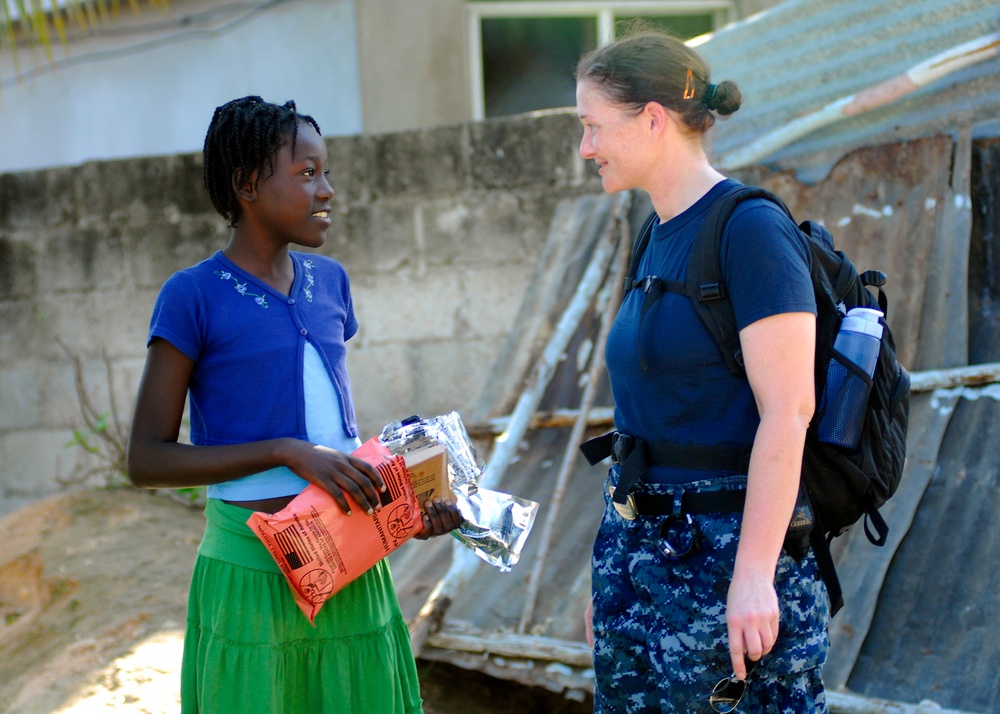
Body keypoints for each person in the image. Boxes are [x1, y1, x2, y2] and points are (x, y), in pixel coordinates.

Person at [126, 96, 462, 714]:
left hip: (349, 566)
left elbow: (334, 437)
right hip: (250, 571)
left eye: (326, 172)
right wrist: (286, 453)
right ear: (248, 184)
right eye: (307, 174)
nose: (327, 190)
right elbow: (146, 458)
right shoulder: (193, 296)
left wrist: (400, 509)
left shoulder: (329, 282)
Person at [575, 29, 830, 712]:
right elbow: (644, 421)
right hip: (643, 562)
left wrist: (753, 576)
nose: (586, 148)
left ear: (652, 119)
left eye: (593, 126)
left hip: (725, 560)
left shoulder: (749, 231)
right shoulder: (654, 234)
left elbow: (790, 410)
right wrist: (613, 571)